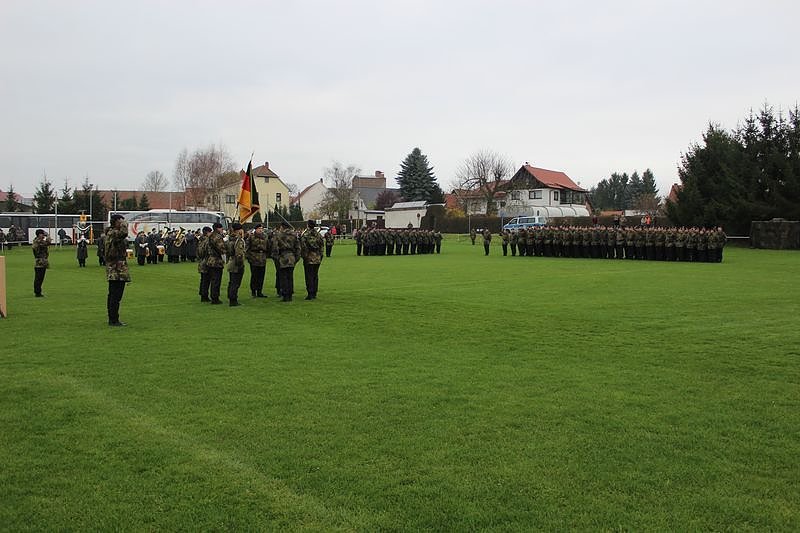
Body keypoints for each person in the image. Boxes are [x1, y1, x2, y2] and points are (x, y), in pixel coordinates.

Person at [104, 215, 131, 326]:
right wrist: (125, 224)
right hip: (116, 269)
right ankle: (113, 319)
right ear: (115, 222)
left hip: (117, 267)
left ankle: (113, 318)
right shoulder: (113, 233)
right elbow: (124, 233)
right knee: (115, 295)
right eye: (120, 221)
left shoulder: (112, 233)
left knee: (114, 295)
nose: (122, 223)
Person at [273, 222, 300, 302]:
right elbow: (298, 247)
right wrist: (296, 258)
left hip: (282, 257)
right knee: (290, 277)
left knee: (283, 277)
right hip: (291, 257)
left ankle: (285, 295)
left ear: (282, 227)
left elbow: (275, 248)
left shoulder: (278, 235)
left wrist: (276, 258)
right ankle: (290, 294)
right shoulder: (294, 235)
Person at [300, 220, 324, 300]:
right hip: (317, 257)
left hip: (309, 258)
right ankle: (314, 292)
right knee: (315, 276)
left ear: (308, 225)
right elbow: (322, 246)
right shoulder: (318, 235)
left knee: (309, 276)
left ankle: (310, 293)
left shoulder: (305, 235)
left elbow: (303, 247)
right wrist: (320, 255)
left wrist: (304, 256)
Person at [246, 223, 269, 298]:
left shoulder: (265, 236)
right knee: (254, 276)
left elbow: (268, 246)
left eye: (262, 228)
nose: (261, 230)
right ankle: (253, 291)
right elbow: (247, 248)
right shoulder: (251, 237)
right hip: (254, 258)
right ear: (256, 229)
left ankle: (260, 291)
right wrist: (249, 258)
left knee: (261, 276)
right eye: (259, 228)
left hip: (262, 258)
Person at [226, 222, 246, 306]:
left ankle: (231, 297)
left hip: (231, 261)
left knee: (231, 281)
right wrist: (240, 264)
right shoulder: (238, 240)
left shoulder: (230, 238)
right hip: (236, 263)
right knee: (236, 282)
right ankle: (233, 299)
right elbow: (239, 253)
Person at [206, 222, 226, 304]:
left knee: (213, 280)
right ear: (218, 228)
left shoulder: (211, 236)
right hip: (216, 261)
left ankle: (213, 296)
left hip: (211, 260)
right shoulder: (217, 237)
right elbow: (222, 249)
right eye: (221, 228)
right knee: (216, 280)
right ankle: (215, 298)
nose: (222, 230)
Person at [32, 229, 50, 297]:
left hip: (39, 262)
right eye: (42, 234)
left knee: (38, 278)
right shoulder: (39, 241)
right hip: (40, 262)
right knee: (39, 278)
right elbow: (48, 242)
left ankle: (37, 291)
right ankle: (38, 292)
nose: (43, 235)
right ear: (39, 234)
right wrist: (47, 235)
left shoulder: (36, 240)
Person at [197, 226, 212, 302]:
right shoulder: (207, 241)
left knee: (203, 279)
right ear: (207, 232)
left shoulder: (200, 240)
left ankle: (202, 294)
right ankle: (204, 295)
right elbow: (208, 251)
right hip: (206, 261)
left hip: (201, 261)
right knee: (206, 280)